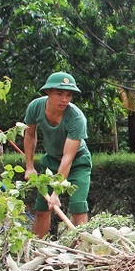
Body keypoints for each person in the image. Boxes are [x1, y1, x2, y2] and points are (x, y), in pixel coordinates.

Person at [23, 71, 92, 238]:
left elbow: (68, 158)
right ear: (48, 92)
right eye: (59, 94)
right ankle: (37, 248)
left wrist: (56, 192)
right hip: (51, 161)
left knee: (77, 207)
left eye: (69, 95)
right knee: (42, 208)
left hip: (77, 163)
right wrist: (29, 166)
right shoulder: (35, 107)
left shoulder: (76, 118)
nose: (65, 100)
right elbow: (30, 134)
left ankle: (83, 253)